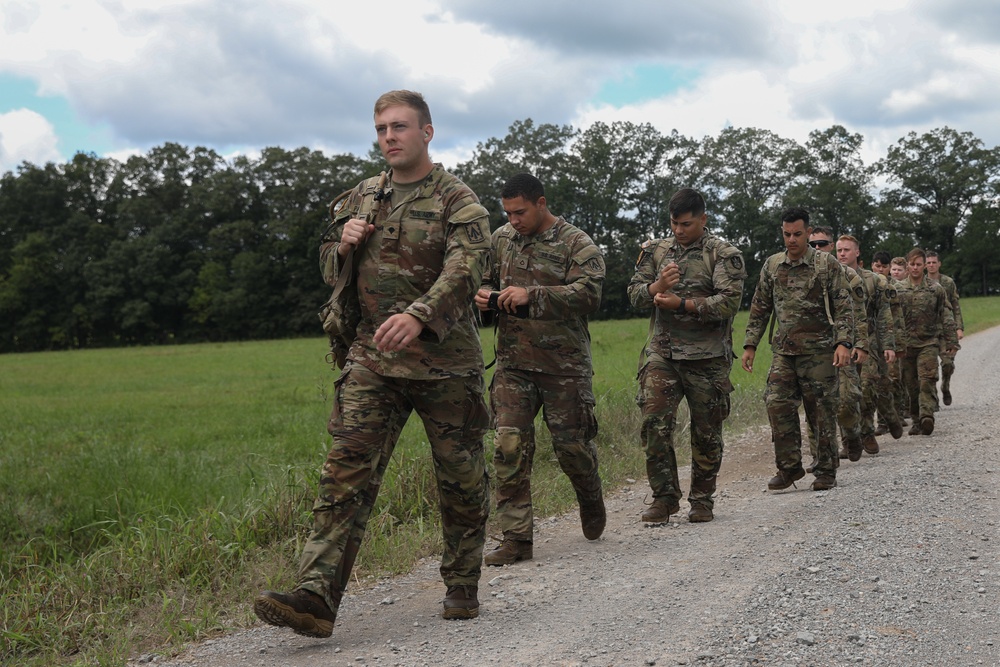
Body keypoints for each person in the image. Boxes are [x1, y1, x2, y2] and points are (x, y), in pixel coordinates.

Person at [254, 90, 493, 637]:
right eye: (382, 128)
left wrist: (420, 313)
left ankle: (461, 584)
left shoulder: (458, 200)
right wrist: (340, 244)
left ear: (426, 133)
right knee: (344, 472)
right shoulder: (361, 197)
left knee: (460, 478)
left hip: (444, 364)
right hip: (371, 359)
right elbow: (325, 268)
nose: (389, 137)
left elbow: (467, 269)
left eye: (400, 127)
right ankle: (315, 596)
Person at [475, 172, 607, 566]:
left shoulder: (576, 243)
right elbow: (480, 280)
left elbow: (590, 293)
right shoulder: (500, 240)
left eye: (521, 212)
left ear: (541, 203)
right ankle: (517, 539)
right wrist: (483, 297)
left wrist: (532, 296)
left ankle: (589, 494)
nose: (514, 220)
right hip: (514, 365)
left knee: (572, 449)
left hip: (563, 367)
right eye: (508, 213)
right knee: (508, 446)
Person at [627, 188, 745, 523]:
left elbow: (729, 302)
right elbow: (634, 294)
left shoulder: (723, 254)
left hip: (707, 358)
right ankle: (664, 498)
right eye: (674, 223)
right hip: (662, 353)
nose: (679, 230)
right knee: (654, 423)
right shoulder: (656, 251)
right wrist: (656, 286)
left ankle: (702, 500)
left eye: (687, 224)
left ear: (703, 219)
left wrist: (684, 304)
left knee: (706, 432)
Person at [742, 208, 854, 491]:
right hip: (784, 350)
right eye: (786, 234)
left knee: (822, 411)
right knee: (777, 404)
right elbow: (760, 307)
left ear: (807, 232)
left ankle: (826, 469)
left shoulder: (825, 264)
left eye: (797, 234)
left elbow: (843, 305)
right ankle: (789, 467)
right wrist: (750, 344)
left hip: (819, 351)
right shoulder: (773, 265)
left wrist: (843, 342)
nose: (791, 240)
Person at [805, 227, 868, 462]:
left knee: (848, 399)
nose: (818, 249)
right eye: (813, 245)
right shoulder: (800, 275)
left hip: (842, 345)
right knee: (815, 404)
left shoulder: (849, 276)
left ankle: (852, 435)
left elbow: (859, 314)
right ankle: (820, 458)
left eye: (822, 244)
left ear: (831, 246)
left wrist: (860, 345)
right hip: (811, 350)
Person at [835, 235, 903, 454]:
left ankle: (874, 426)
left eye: (847, 250)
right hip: (840, 343)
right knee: (844, 394)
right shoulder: (831, 278)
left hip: (870, 342)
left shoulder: (874, 281)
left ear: (857, 253)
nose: (842, 254)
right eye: (839, 250)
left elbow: (884, 316)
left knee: (868, 388)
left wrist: (889, 345)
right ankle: (850, 438)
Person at [897, 248, 959, 436]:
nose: (915, 268)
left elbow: (946, 314)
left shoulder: (936, 289)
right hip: (906, 345)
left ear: (924, 266)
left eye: (918, 264)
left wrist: (951, 340)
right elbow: (890, 317)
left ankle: (927, 416)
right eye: (912, 264)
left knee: (926, 380)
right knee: (911, 385)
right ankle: (916, 420)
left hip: (928, 343)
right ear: (907, 265)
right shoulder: (898, 289)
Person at [925, 251, 964, 406]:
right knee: (929, 366)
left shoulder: (948, 282)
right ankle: (932, 398)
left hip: (947, 329)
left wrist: (959, 327)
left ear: (939, 264)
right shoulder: (921, 282)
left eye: (934, 262)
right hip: (928, 330)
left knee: (947, 363)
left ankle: (945, 385)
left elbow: (956, 306)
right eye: (928, 262)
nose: (931, 265)